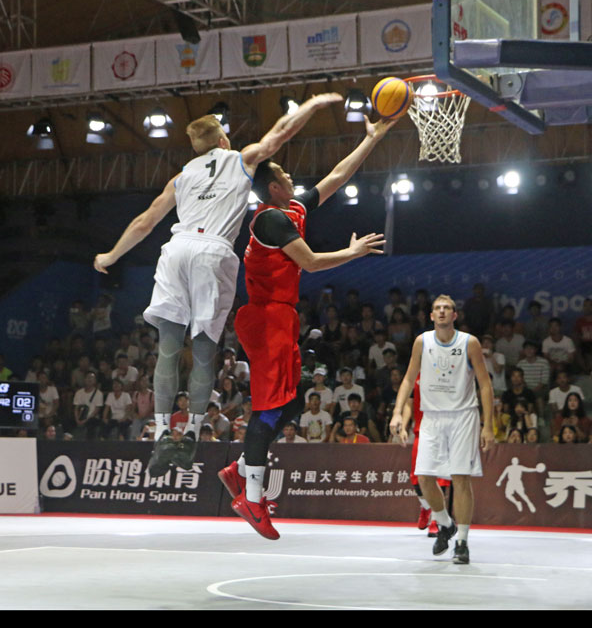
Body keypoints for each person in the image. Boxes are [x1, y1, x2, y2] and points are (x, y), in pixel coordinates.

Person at [94, 93, 347, 475]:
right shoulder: (239, 159)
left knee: (167, 348)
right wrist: (309, 106)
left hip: (176, 249)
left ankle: (162, 434)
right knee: (203, 350)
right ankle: (191, 436)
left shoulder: (181, 177)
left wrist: (111, 256)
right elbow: (279, 135)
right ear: (223, 140)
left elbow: (145, 222)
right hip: (213, 253)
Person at [217, 114, 394, 540]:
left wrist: (372, 139)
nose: (292, 177)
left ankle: (239, 469)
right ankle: (252, 499)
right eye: (284, 175)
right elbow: (311, 263)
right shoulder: (269, 219)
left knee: (293, 402)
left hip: (281, 316)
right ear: (273, 188)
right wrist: (353, 252)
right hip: (265, 317)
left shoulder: (292, 209)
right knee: (269, 408)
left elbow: (337, 177)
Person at [390, 295, 495, 565]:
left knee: (461, 478)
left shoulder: (469, 343)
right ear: (431, 315)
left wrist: (488, 426)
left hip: (463, 416)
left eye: (447, 308)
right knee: (424, 478)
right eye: (437, 308)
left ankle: (462, 541)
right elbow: (408, 379)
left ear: (455, 315)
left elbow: (485, 385)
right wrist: (397, 412)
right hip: (432, 417)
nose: (442, 312)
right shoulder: (422, 342)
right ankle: (445, 523)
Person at [398, 375, 453, 538]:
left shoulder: (446, 374)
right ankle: (426, 506)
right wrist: (404, 426)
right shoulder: (416, 376)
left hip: (444, 432)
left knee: (441, 478)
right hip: (422, 432)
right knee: (417, 478)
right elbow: (409, 403)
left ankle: (436, 520)